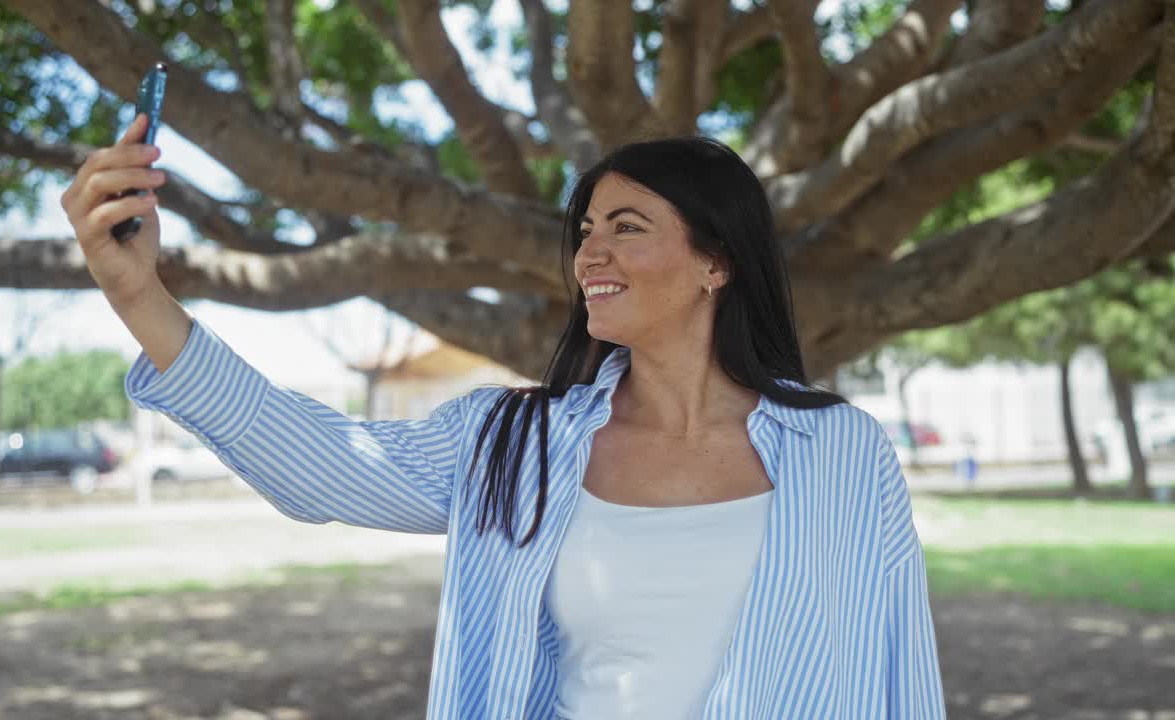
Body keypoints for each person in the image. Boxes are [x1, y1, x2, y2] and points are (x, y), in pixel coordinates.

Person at [63, 113, 946, 719]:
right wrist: (141, 296)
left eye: (627, 227)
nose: (590, 252)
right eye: (586, 229)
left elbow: (902, 675)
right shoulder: (512, 442)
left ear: (717, 260)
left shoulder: (841, 452)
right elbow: (320, 462)